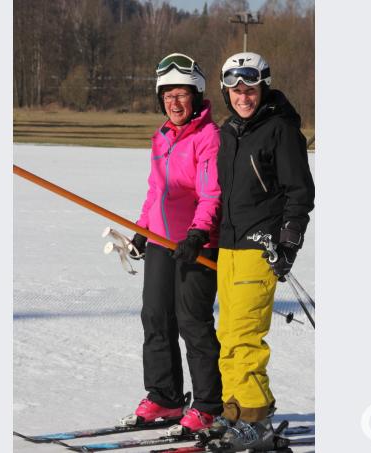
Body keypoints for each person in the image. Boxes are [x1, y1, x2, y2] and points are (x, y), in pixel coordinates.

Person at [206, 52, 315, 451]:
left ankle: (257, 422)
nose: (243, 96)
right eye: (235, 90)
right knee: (228, 335)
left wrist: (288, 242)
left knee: (246, 335)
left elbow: (300, 192)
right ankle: (236, 412)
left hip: (259, 247)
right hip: (229, 248)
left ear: (262, 87)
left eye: (250, 89)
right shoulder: (231, 131)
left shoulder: (278, 130)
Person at [119, 53, 223, 435]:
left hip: (196, 244)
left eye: (181, 95)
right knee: (156, 318)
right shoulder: (161, 136)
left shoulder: (208, 137)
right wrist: (142, 230)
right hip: (162, 242)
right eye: (167, 96)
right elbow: (155, 191)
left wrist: (197, 235)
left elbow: (211, 194)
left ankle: (209, 406)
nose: (174, 103)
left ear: (195, 96)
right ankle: (165, 397)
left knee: (193, 324)